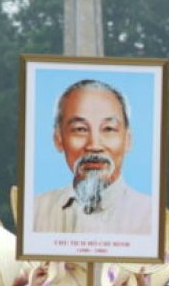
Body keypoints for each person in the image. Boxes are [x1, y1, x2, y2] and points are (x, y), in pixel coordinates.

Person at [33, 79, 153, 234]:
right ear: (58, 139)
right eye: (80, 129)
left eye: (108, 129)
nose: (94, 146)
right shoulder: (35, 211)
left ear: (128, 140)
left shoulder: (150, 216)